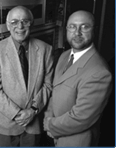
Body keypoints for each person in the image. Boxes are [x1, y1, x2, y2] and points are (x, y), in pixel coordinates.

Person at [0, 6, 54, 147]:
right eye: (14, 22)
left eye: (25, 21)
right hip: (6, 124)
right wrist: (18, 114)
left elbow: (48, 85)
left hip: (33, 122)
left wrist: (33, 110)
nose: (20, 26)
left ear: (31, 23)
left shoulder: (46, 49)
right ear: (7, 25)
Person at [43, 10, 112, 147]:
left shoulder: (99, 72)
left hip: (77, 140)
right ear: (67, 29)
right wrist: (48, 116)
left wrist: (50, 125)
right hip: (57, 134)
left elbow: (81, 118)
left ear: (94, 30)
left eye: (85, 27)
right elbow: (54, 92)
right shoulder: (64, 56)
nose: (77, 32)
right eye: (72, 26)